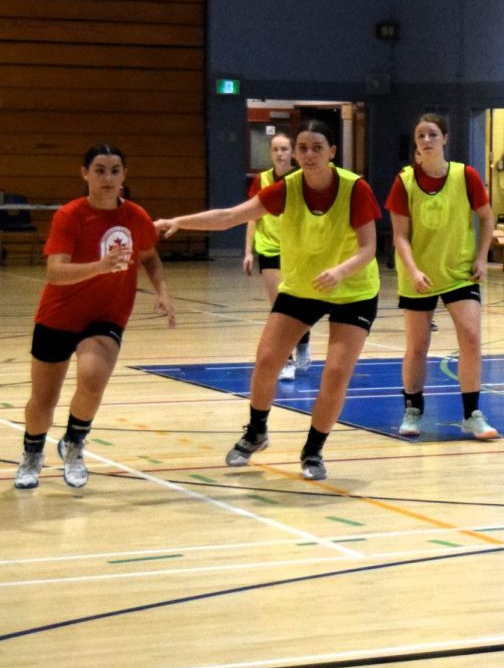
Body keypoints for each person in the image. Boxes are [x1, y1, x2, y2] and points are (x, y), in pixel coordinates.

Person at [155, 121, 380, 481]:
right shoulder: (285, 189)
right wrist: (178, 221)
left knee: (336, 374)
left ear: (332, 152)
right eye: (302, 148)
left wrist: (341, 271)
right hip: (303, 286)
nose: (308, 155)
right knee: (266, 359)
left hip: (353, 290)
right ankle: (257, 431)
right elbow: (229, 217)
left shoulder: (355, 189)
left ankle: (313, 451)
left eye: (317, 147)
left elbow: (369, 248)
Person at [15, 143, 175, 490]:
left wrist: (162, 291)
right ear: (85, 174)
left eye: (115, 170)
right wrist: (101, 267)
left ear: (124, 176)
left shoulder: (136, 217)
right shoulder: (70, 216)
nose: (107, 177)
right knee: (43, 400)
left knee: (92, 377)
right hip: (59, 314)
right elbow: (55, 272)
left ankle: (74, 444)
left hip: (107, 315)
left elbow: (148, 256)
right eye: (99, 170)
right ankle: (32, 452)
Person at [387, 113, 499, 440]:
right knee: (417, 345)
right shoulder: (404, 181)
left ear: (445, 139)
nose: (426, 141)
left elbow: (487, 219)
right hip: (418, 275)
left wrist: (481, 257)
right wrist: (413, 270)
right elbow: (400, 236)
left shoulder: (466, 176)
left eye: (433, 135)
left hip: (459, 273)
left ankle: (472, 414)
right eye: (421, 135)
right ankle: (412, 409)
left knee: (472, 338)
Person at [243, 131, 311, 382]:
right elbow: (252, 216)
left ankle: (304, 339)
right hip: (269, 248)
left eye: (285, 149)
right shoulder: (261, 180)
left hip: (298, 250)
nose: (280, 154)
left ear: (292, 153)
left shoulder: (302, 178)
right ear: (271, 153)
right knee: (279, 307)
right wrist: (248, 251)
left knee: (300, 304)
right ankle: (287, 360)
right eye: (276, 149)